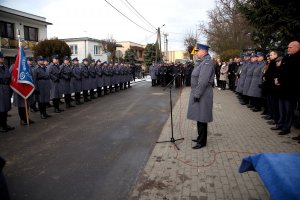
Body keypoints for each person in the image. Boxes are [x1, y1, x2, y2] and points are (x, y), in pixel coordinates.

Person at [187, 43, 215, 149]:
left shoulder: (207, 62)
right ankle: (200, 137)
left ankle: (202, 142)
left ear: (203, 51)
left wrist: (197, 94)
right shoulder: (202, 62)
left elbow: (203, 81)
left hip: (203, 93)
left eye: (197, 51)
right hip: (200, 92)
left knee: (202, 117)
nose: (196, 53)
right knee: (199, 116)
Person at [272, 41, 300, 135]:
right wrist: (278, 79)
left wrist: (281, 80)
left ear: (297, 48)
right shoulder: (287, 57)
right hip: (282, 88)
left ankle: (287, 127)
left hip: (290, 89)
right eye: (288, 47)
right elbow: (282, 71)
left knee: (288, 110)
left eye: (290, 47)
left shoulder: (297, 59)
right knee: (282, 108)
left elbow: (293, 75)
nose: (288, 48)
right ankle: (281, 124)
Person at [0, 52, 14, 132]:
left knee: (5, 108)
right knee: (0, 108)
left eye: (2, 57)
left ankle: (5, 124)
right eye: (1, 57)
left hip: (6, 88)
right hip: (0, 88)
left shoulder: (5, 67)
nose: (2, 58)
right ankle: (1, 126)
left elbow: (9, 77)